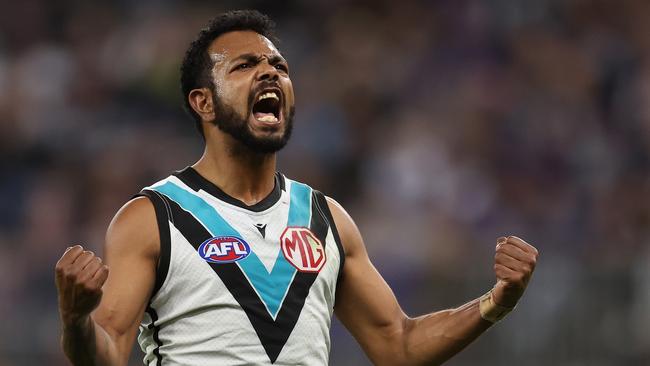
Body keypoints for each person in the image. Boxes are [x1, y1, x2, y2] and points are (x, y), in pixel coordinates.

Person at [54, 10, 538, 366]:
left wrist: (496, 302)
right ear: (203, 102)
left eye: (280, 66)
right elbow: (110, 354)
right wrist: (76, 319)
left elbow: (399, 345)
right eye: (243, 66)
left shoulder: (325, 218)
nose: (270, 73)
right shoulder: (153, 217)